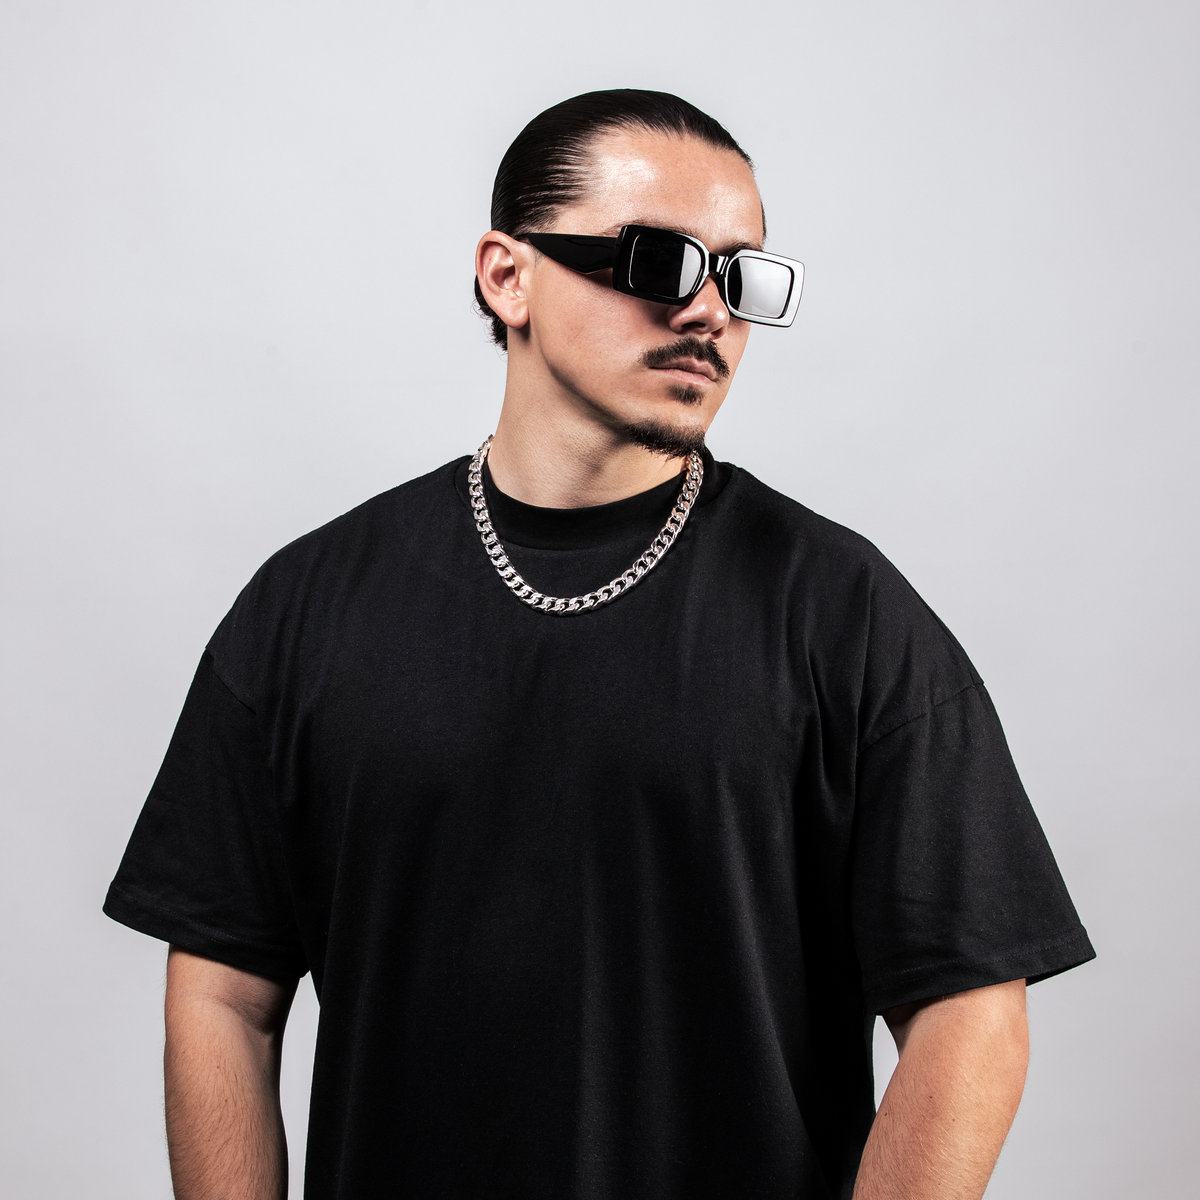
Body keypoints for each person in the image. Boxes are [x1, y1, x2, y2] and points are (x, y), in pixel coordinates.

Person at [105, 88, 1094, 1200]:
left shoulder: (842, 612)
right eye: (660, 263)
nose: (710, 313)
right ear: (507, 275)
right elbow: (223, 994)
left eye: (744, 279)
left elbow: (972, 1014)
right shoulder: (308, 605)